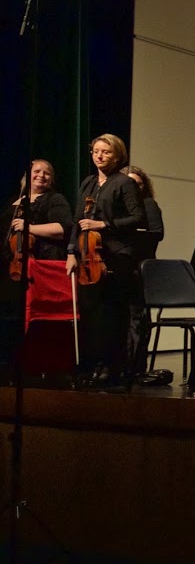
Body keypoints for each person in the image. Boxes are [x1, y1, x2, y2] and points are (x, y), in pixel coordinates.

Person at [68, 135, 143, 387]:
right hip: (87, 256)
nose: (99, 156)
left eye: (106, 152)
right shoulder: (88, 183)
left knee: (110, 312)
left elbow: (137, 218)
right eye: (96, 151)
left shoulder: (124, 183)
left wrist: (103, 224)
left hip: (116, 255)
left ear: (117, 156)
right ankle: (91, 365)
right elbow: (77, 220)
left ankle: (112, 367)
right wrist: (71, 252)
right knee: (89, 311)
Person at [120, 165, 164, 383]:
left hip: (139, 269)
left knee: (137, 318)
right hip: (120, 268)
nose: (134, 188)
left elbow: (156, 234)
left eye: (137, 184)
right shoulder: (119, 208)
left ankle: (135, 367)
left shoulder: (148, 204)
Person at [7, 158, 73, 266]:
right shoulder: (14, 199)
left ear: (51, 180)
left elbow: (62, 229)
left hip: (42, 260)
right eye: (37, 171)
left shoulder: (55, 199)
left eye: (47, 173)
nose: (41, 175)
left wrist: (28, 228)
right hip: (11, 260)